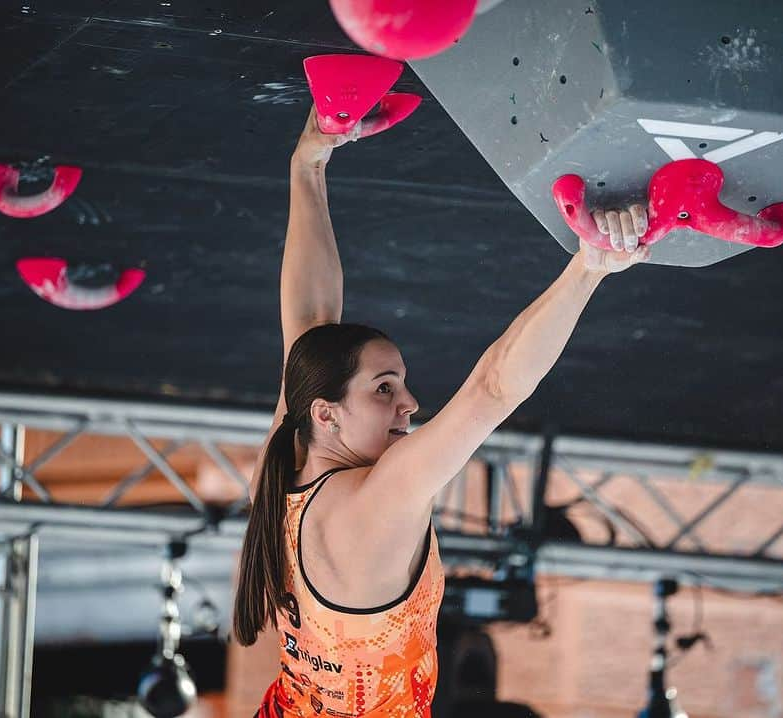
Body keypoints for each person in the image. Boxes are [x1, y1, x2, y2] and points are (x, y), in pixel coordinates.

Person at [234, 105, 650, 718]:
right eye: (387, 389)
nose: (409, 404)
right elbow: (309, 331)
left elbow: (494, 391)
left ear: (324, 414)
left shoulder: (369, 504)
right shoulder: (285, 464)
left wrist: (590, 268)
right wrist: (308, 163)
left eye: (389, 387)